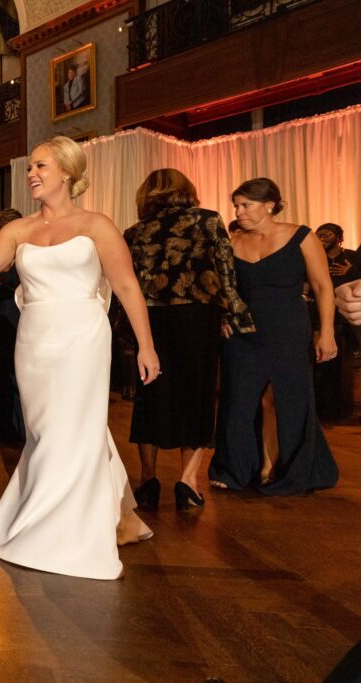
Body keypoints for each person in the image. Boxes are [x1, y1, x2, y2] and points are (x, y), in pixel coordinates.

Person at [0, 136, 158, 580]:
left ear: (67, 173)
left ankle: (61, 533)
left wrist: (147, 346)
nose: (31, 174)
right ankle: (118, 516)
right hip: (34, 341)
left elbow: (129, 287)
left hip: (82, 339)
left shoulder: (98, 225)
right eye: (30, 168)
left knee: (70, 431)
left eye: (40, 167)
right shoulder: (18, 231)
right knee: (45, 431)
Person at [123, 169, 255, 512]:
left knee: (150, 396)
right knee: (196, 396)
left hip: (150, 319)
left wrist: (126, 330)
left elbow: (128, 284)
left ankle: (148, 479)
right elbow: (226, 272)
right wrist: (234, 314)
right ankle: (187, 481)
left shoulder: (135, 232)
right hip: (197, 317)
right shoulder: (209, 221)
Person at [209, 178, 338, 494]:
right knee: (240, 399)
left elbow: (323, 288)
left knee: (282, 398)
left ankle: (275, 466)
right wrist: (222, 316)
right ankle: (235, 469)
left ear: (269, 204)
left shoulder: (302, 237)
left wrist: (327, 333)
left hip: (288, 328)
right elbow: (218, 288)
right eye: (236, 206)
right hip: (242, 333)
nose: (239, 211)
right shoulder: (231, 240)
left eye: (245, 205)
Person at [313, 223, 358, 419]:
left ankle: (340, 410)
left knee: (342, 367)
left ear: (338, 237)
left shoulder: (352, 257)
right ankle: (321, 409)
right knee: (320, 366)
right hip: (319, 316)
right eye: (319, 233)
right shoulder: (314, 257)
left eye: (328, 233)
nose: (323, 236)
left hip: (347, 320)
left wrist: (352, 271)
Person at [0, 208, 24, 443]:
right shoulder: (11, 248)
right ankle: (13, 427)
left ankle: (9, 427)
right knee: (12, 370)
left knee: (11, 370)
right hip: (9, 311)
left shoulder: (17, 248)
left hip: (10, 309)